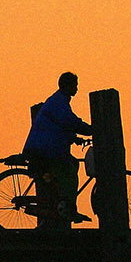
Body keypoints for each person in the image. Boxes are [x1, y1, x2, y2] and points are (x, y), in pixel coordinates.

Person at [22, 71, 94, 225]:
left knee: (70, 165)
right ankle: (68, 207)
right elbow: (69, 122)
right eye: (75, 85)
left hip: (46, 146)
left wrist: (75, 139)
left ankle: (62, 204)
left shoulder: (58, 101)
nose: (77, 88)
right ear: (67, 86)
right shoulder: (59, 102)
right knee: (69, 170)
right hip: (45, 148)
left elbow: (58, 127)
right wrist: (91, 130)